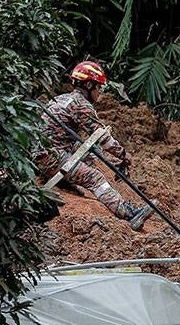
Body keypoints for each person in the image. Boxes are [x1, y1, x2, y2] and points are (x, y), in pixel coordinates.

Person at [33, 60, 152, 231]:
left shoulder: (61, 99)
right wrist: (124, 155)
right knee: (95, 178)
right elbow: (102, 138)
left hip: (41, 151)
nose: (100, 92)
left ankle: (71, 179)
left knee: (90, 154)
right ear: (89, 85)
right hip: (51, 156)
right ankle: (128, 213)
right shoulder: (82, 105)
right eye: (98, 88)